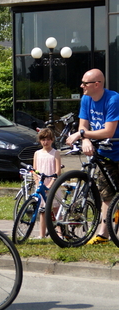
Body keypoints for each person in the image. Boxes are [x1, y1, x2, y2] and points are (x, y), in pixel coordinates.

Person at [66, 68, 119, 244]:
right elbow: (84, 125)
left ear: (97, 84)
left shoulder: (113, 99)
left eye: (85, 83)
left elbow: (109, 131)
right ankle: (103, 235)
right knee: (106, 194)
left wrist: (83, 135)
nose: (81, 86)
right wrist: (85, 139)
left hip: (117, 148)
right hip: (104, 152)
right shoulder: (86, 99)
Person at [32, 128, 62, 239]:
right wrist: (38, 183)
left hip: (52, 185)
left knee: (56, 210)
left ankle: (60, 233)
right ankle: (42, 234)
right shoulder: (37, 153)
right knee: (42, 210)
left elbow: (57, 172)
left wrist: (50, 185)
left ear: (52, 140)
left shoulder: (55, 153)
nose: (46, 142)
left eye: (48, 139)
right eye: (43, 139)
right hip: (40, 185)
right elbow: (34, 170)